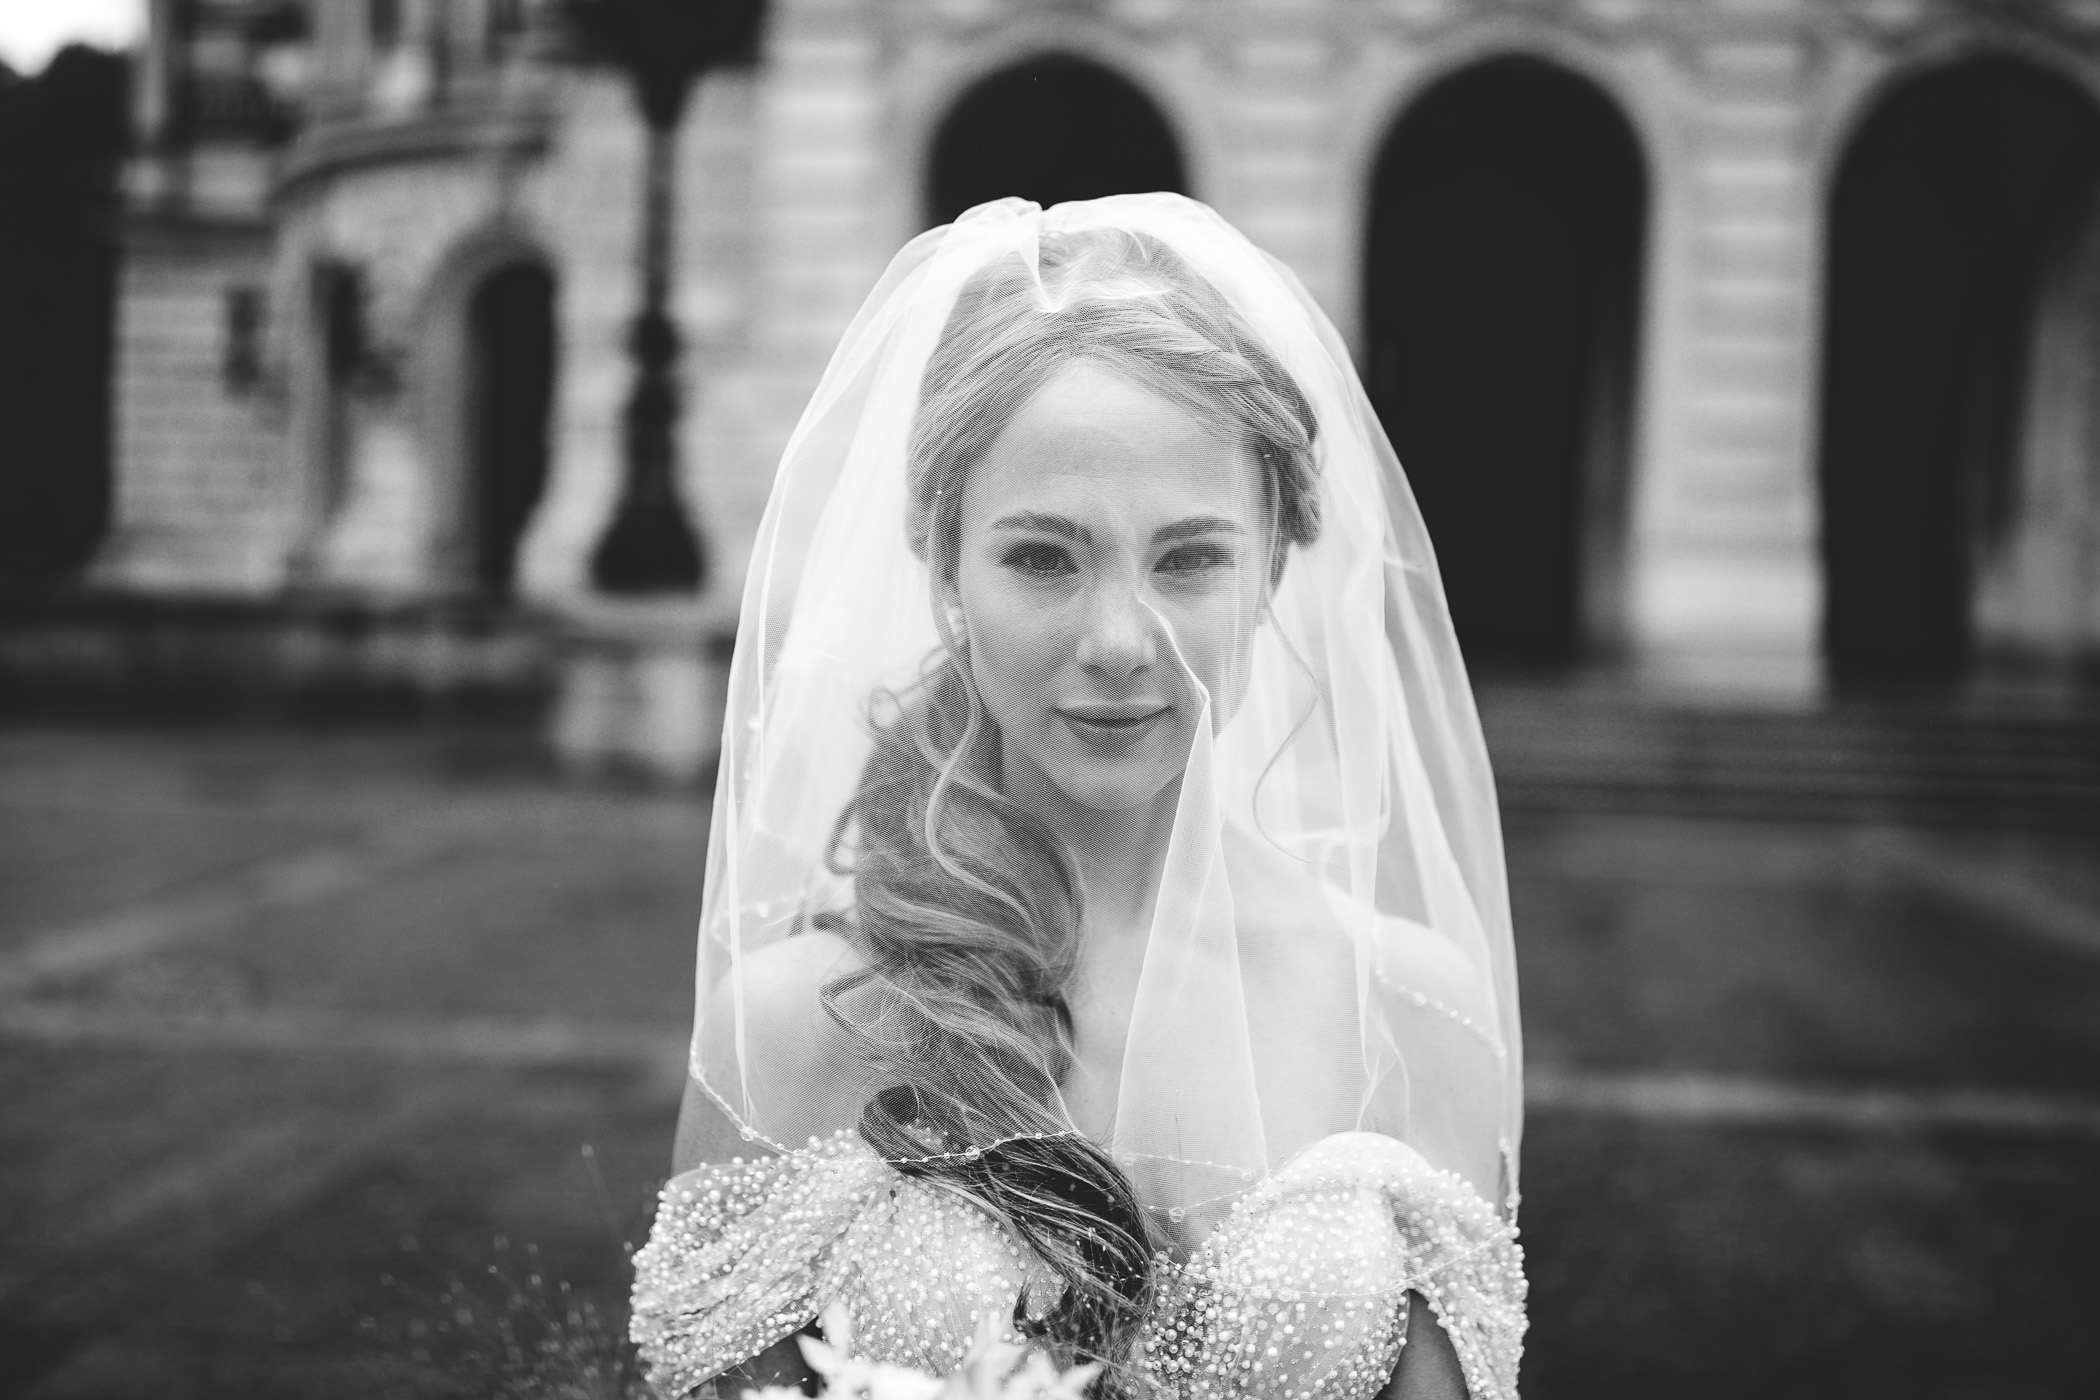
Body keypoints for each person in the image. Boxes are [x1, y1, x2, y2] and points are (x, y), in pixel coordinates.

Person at [630, 194, 1526, 1400]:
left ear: (1272, 567)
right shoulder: (795, 1028)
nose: (1118, 638)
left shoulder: (1421, 1014)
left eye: (1189, 557)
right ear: (944, 559)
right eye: (1043, 556)